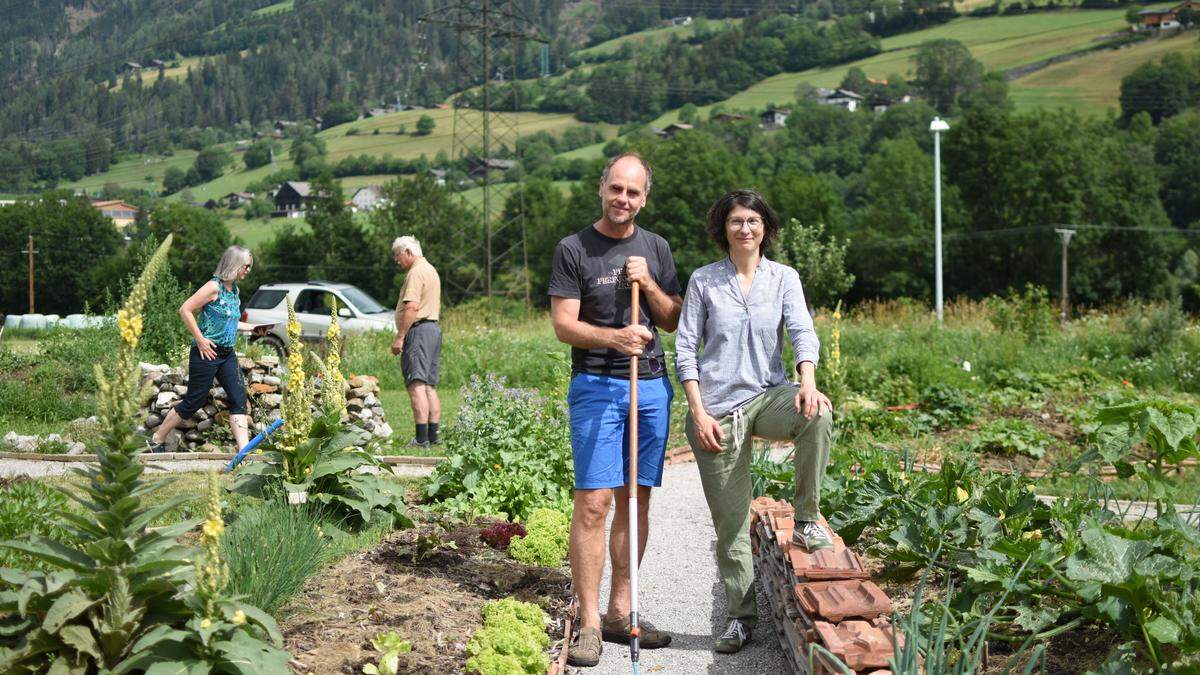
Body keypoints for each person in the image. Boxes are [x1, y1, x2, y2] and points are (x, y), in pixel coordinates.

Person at [675, 189, 834, 655]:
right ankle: (742, 620)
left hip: (769, 396)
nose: (745, 228)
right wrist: (698, 412)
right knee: (731, 523)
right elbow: (685, 349)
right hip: (717, 413)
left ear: (766, 227)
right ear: (722, 228)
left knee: (818, 413)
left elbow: (803, 330)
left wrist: (807, 381)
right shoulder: (705, 281)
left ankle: (806, 518)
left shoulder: (784, 278)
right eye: (736, 221)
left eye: (753, 220)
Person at [548, 152, 683, 667]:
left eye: (633, 192)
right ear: (601, 187)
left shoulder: (657, 248)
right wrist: (614, 336)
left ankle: (620, 611)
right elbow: (564, 325)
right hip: (598, 385)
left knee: (635, 500)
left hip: (650, 387)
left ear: (645, 197)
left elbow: (671, 319)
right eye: (616, 189)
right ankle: (586, 624)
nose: (623, 199)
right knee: (593, 503)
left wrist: (647, 284)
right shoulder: (573, 249)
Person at [149, 245, 255, 453]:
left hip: (226, 353)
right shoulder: (213, 287)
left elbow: (231, 323)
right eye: (246, 266)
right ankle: (157, 438)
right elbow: (185, 309)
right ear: (235, 264)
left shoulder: (235, 291)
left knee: (239, 398)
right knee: (194, 401)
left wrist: (255, 329)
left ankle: (243, 452)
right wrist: (200, 339)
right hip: (206, 352)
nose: (248, 271)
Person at [390, 235, 442, 447]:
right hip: (433, 330)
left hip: (419, 331)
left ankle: (421, 440)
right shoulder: (430, 269)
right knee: (429, 385)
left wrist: (400, 336)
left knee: (416, 384)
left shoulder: (415, 273)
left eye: (398, 255)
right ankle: (433, 436)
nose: (397, 260)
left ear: (408, 253)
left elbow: (411, 307)